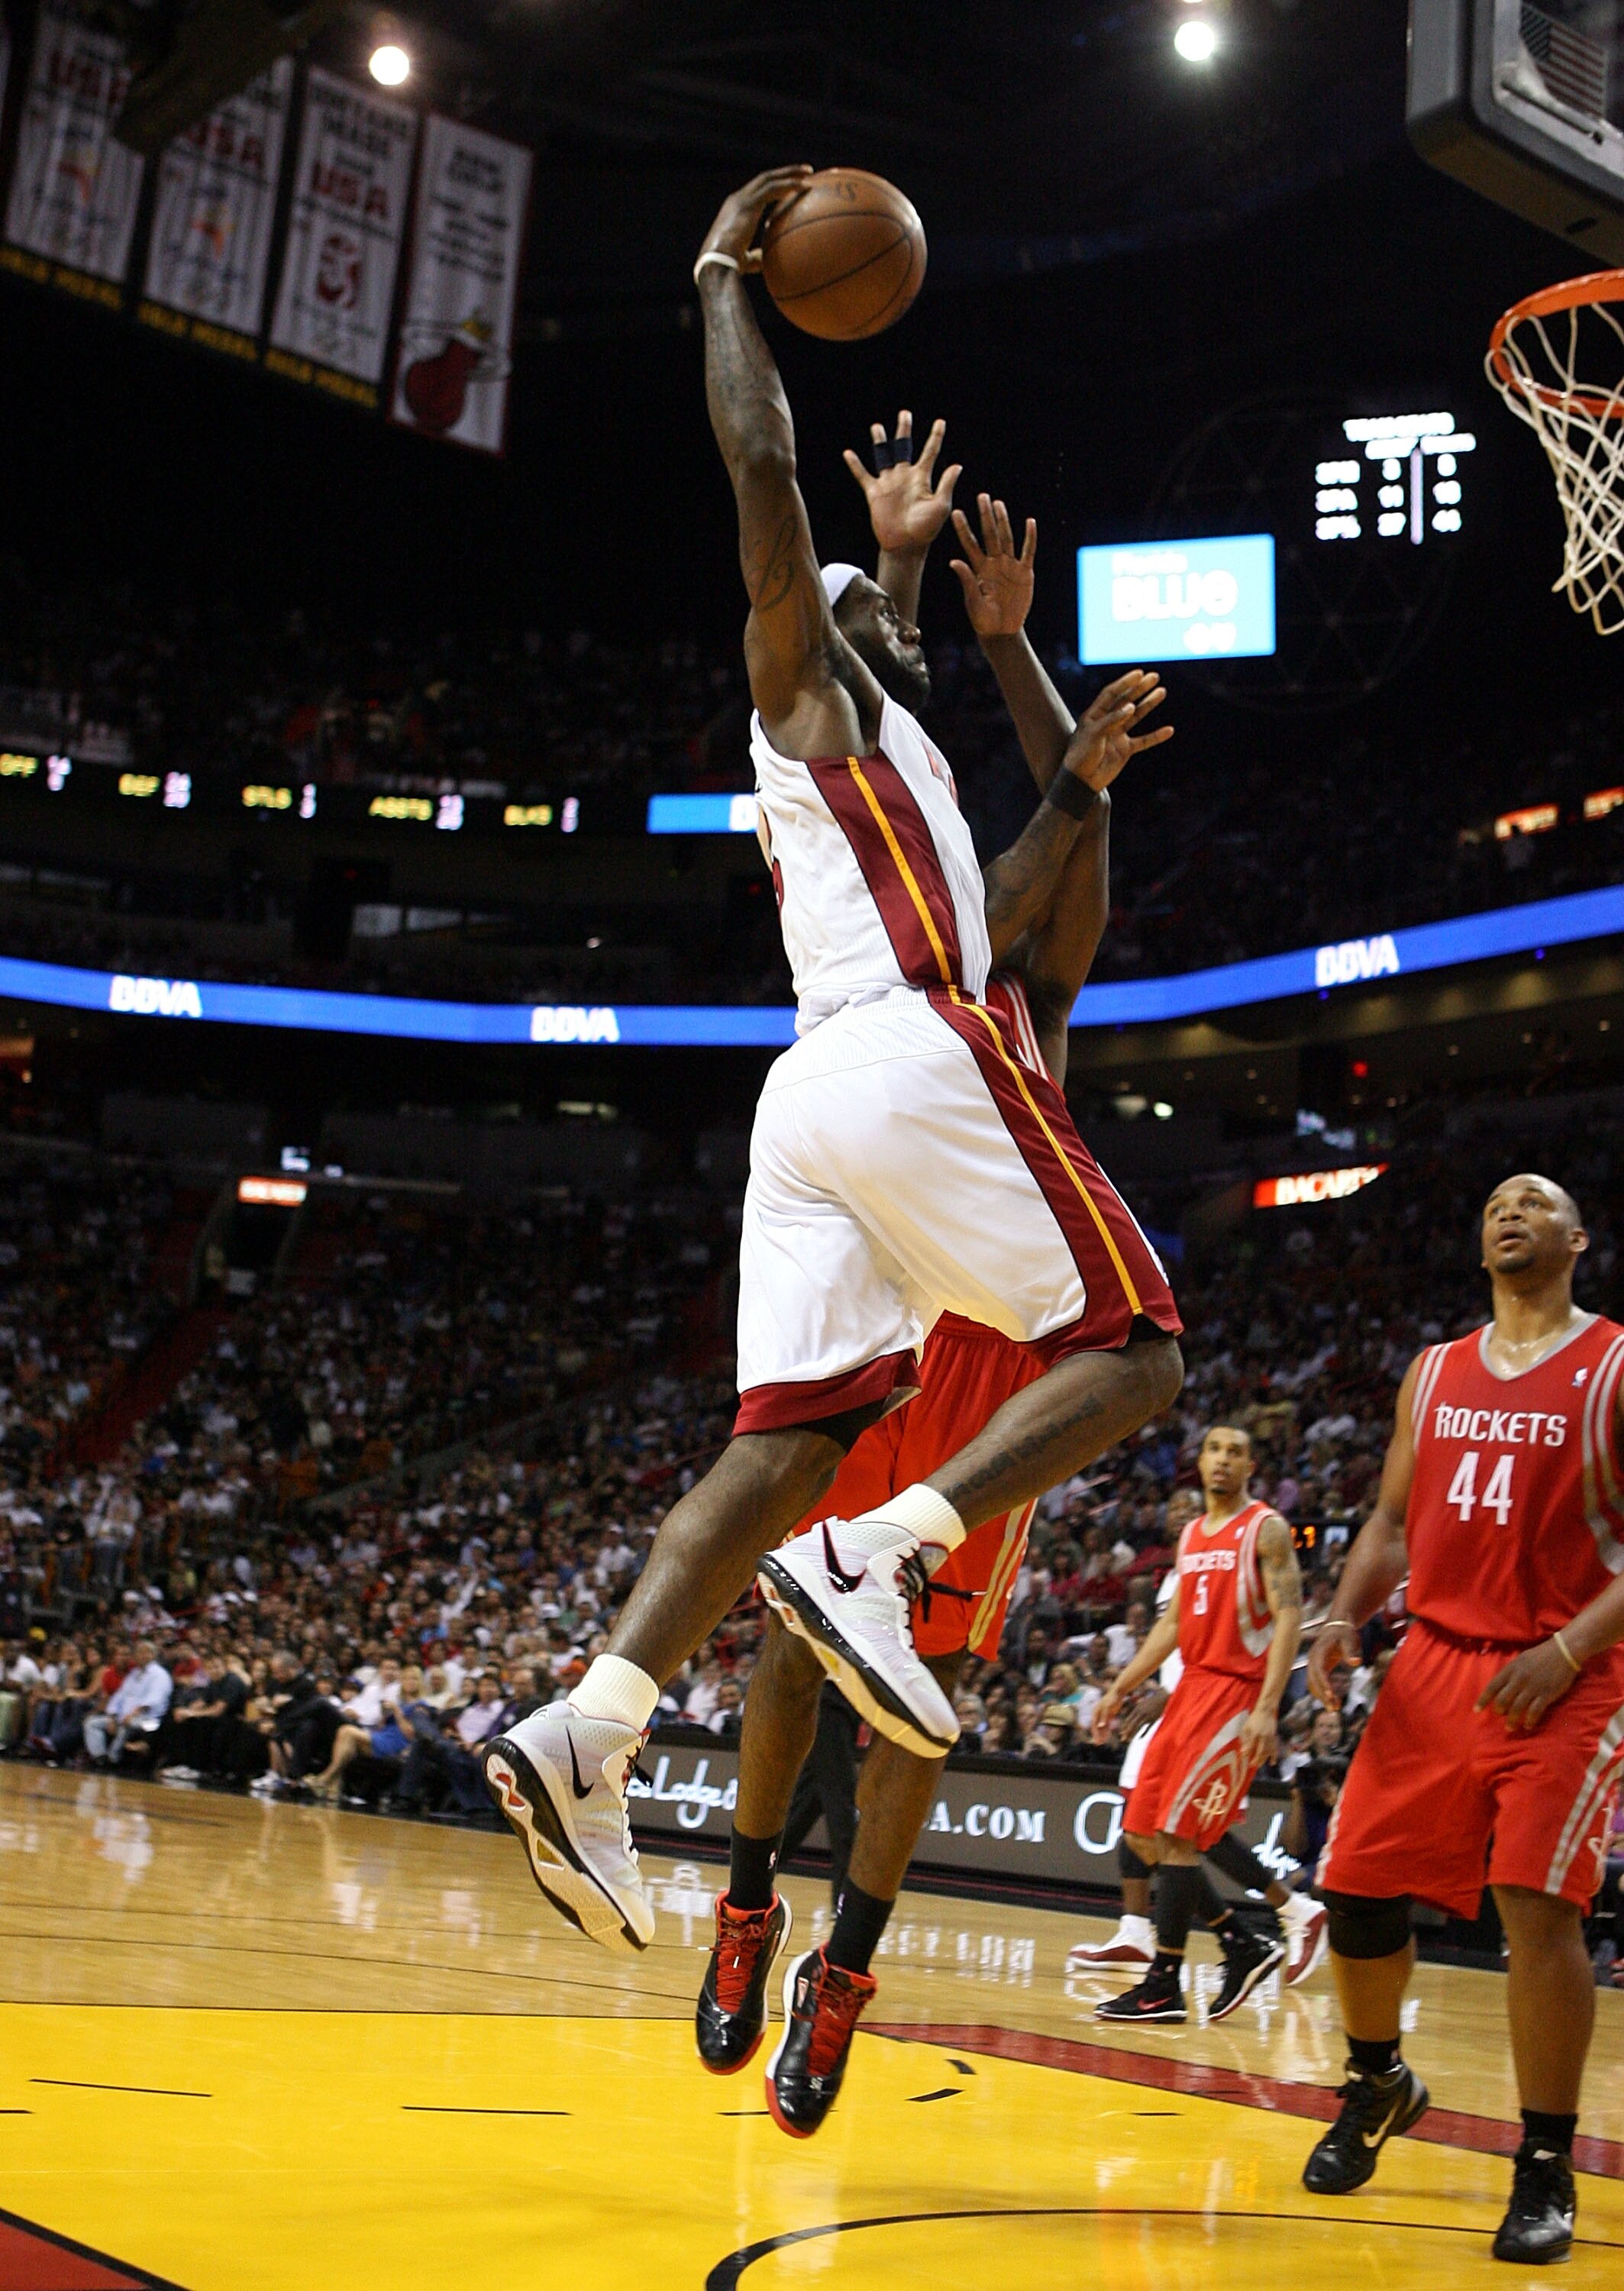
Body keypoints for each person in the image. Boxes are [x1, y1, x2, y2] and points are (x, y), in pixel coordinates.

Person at [481, 166, 1184, 1960]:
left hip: (811, 1106)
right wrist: (722, 272)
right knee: (1134, 1346)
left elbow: (1033, 849)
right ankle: (898, 1546)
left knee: (787, 1445)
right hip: (894, 1059)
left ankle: (598, 1718)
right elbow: (763, 482)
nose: (880, 617)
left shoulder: (903, 782)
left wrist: (1003, 659)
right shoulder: (800, 690)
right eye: (874, 613)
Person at [693, 453, 1174, 2133]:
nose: (1006, 881)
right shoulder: (895, 986)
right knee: (790, 1634)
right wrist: (895, 591)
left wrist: (1006, 648)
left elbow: (1078, 815)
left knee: (916, 1691)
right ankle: (748, 1897)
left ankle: (846, 1974)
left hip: (1003, 1365)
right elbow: (869, 727)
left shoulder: (1023, 990)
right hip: (888, 1315)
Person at [1303, 1174, 1624, 2267]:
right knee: (1353, 1884)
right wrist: (1338, 1617)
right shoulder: (1431, 1370)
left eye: (1533, 1202)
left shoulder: (1614, 1363)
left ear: (1574, 1238)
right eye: (1491, 1201)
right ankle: (1377, 2080)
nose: (1507, 1211)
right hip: (1434, 1658)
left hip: (1564, 1664)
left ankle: (1542, 2162)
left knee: (1532, 1904)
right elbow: (1391, 1517)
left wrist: (1567, 1649)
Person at [1089, 1427, 1309, 2024]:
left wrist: (1267, 1706)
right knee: (1142, 1835)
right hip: (1189, 1691)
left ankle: (1163, 1984)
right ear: (1200, 1460)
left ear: (1249, 1465)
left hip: (1235, 1695)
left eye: (1236, 1451)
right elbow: (1174, 1627)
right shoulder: (1190, 1534)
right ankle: (1239, 1942)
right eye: (1214, 1449)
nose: (1223, 1460)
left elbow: (1290, 1615)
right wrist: (1121, 1684)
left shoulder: (1265, 1528)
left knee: (1182, 1838)